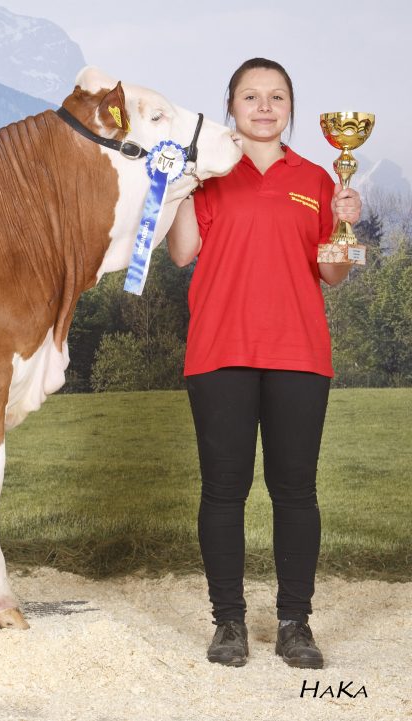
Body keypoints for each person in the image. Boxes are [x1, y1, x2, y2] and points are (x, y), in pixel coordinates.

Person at [165, 57, 362, 669]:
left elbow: (333, 272)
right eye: (251, 96)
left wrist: (347, 226)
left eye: (277, 96)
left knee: (295, 491)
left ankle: (294, 623)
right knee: (225, 490)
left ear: (291, 108)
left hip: (299, 353)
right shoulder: (210, 176)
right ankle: (228, 622)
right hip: (220, 350)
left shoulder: (319, 178)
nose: (265, 106)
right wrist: (177, 187)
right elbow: (180, 255)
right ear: (231, 106)